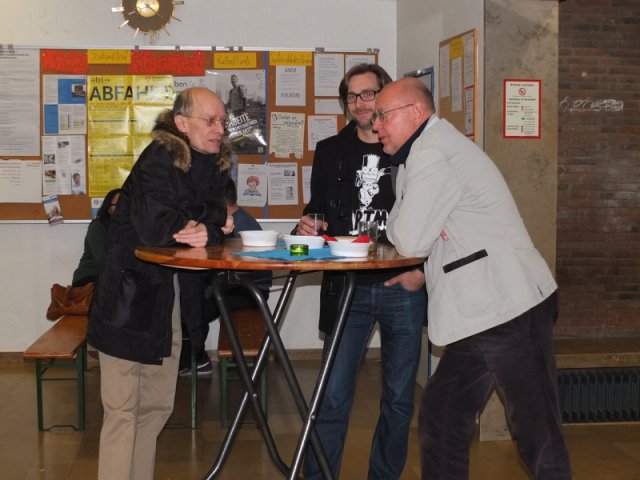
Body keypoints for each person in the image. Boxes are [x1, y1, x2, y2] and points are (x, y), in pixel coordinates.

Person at [375, 77, 572, 479]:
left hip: (508, 307)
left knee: (537, 431)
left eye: (383, 115)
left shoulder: (433, 153)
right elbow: (407, 227)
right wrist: (406, 238)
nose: (375, 125)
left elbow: (408, 239)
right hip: (482, 312)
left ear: (415, 112)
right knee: (443, 415)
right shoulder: (421, 153)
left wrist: (403, 234)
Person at [88, 87, 234, 480]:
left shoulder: (216, 164)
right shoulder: (158, 159)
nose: (220, 129)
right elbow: (159, 228)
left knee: (156, 407)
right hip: (127, 297)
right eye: (210, 120)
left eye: (222, 120)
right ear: (182, 123)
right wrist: (209, 222)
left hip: (169, 298)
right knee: (122, 410)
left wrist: (208, 226)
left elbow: (217, 217)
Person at [298, 64, 427, 480]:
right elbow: (316, 209)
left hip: (402, 286)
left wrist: (422, 271)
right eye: (352, 96)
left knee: (399, 400)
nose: (359, 103)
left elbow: (435, 217)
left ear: (385, 95)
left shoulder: (410, 150)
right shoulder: (330, 150)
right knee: (331, 397)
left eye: (368, 94)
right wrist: (307, 225)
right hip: (346, 286)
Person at [178, 177, 271, 376]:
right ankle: (195, 358)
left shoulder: (236, 224)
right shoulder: (243, 217)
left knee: (194, 309)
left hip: (249, 291)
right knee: (195, 302)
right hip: (243, 286)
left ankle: (196, 360)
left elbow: (231, 270)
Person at [71, 188, 121, 287]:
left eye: (127, 203)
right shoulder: (97, 226)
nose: (123, 207)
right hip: (90, 277)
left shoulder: (130, 228)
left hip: (114, 276)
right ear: (108, 208)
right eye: (118, 204)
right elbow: (103, 259)